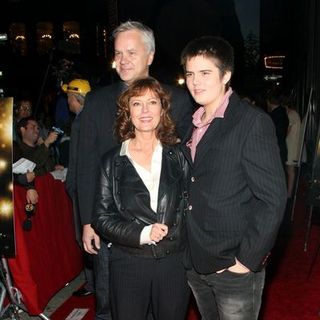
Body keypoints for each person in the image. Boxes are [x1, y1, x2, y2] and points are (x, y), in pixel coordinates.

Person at [77, 20, 194, 320]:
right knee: (110, 306)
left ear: (151, 56)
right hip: (113, 232)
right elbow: (86, 163)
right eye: (118, 53)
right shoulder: (96, 101)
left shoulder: (178, 101)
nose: (123, 60)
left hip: (167, 240)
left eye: (132, 52)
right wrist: (88, 220)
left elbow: (186, 170)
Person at [180, 36, 287, 320]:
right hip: (195, 260)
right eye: (190, 73)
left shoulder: (252, 122)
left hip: (233, 264)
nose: (195, 82)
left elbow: (273, 198)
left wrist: (246, 261)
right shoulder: (190, 124)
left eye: (205, 73)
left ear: (226, 75)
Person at [91, 77, 190, 320]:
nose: (145, 111)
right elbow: (101, 218)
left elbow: (192, 205)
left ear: (162, 109)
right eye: (137, 103)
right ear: (128, 111)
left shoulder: (179, 155)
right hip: (128, 264)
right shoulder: (111, 161)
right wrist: (142, 234)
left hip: (173, 263)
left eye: (152, 102)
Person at [62, 79, 94, 297]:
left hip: (82, 189)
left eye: (68, 98)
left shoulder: (80, 123)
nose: (67, 102)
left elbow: (78, 160)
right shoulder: (92, 120)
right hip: (88, 187)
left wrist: (71, 186)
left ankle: (93, 285)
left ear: (75, 99)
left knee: (85, 237)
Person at [267, 89, 289, 169]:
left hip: (274, 149)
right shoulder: (283, 113)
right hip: (282, 147)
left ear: (269, 102)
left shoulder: (272, 116)